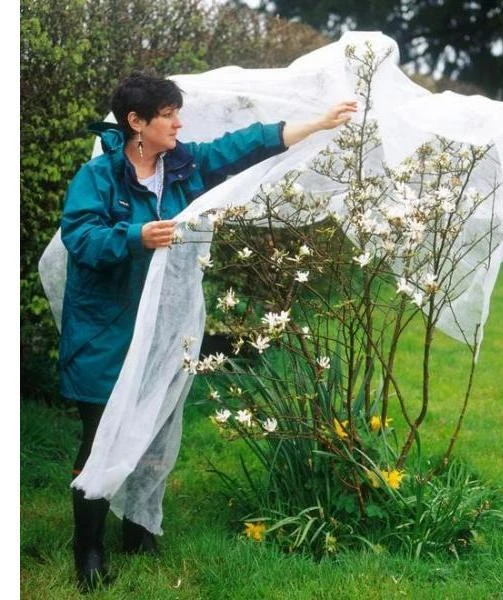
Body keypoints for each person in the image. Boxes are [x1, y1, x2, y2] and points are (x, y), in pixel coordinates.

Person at [59, 70, 356, 591]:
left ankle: (138, 527)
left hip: (163, 329)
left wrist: (316, 124)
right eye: (168, 114)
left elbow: (244, 145)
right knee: (100, 438)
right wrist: (135, 236)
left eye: (177, 112)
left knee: (155, 431)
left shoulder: (184, 166)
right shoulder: (99, 177)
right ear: (136, 122)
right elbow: (80, 238)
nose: (179, 123)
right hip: (104, 331)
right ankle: (88, 548)